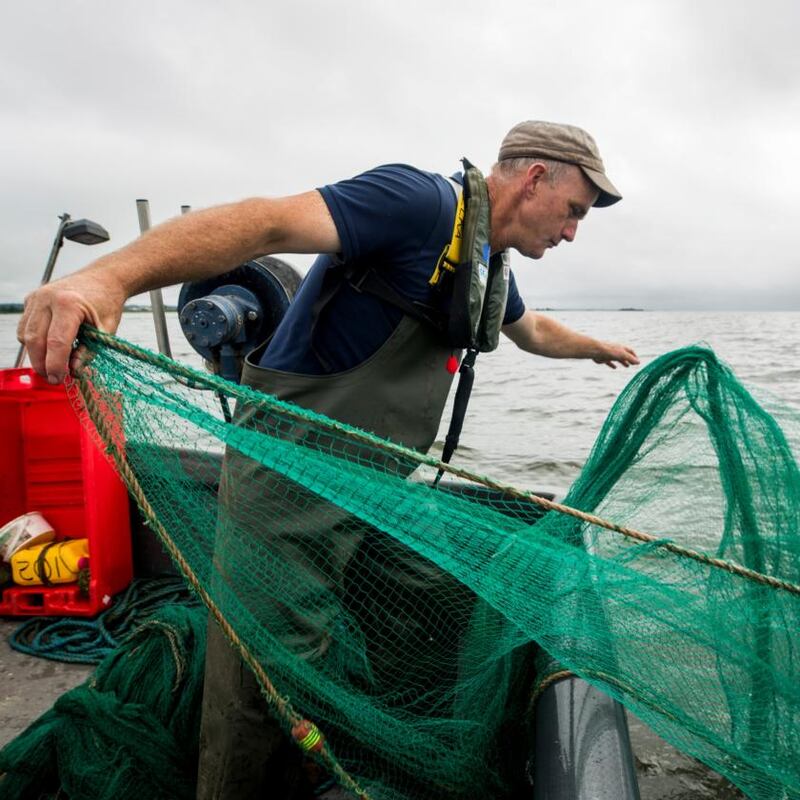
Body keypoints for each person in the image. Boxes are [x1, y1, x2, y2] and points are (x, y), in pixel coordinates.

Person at [17, 120, 640, 799]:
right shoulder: (420, 204)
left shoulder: (483, 263)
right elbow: (265, 225)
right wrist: (107, 277)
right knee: (258, 691)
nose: (573, 231)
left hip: (371, 490)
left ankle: (340, 757)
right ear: (535, 177)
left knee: (433, 595)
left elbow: (532, 330)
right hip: (288, 487)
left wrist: (596, 347)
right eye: (575, 211)